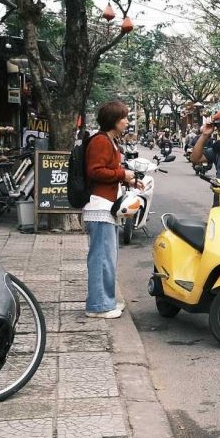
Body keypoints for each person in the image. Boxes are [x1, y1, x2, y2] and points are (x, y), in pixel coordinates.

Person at [84, 101, 140, 319]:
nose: (127, 121)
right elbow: (95, 171)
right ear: (114, 120)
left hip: (107, 205)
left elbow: (110, 170)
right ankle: (98, 305)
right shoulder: (100, 141)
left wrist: (129, 179)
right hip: (99, 205)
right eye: (124, 117)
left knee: (108, 256)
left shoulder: (109, 140)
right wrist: (122, 175)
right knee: (101, 257)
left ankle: (105, 300)